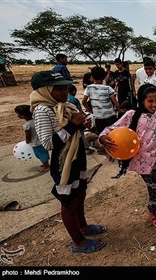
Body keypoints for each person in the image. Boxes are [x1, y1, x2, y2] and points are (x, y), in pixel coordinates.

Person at [29, 71, 107, 253]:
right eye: (59, 89)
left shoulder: (62, 105)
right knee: (68, 201)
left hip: (77, 156)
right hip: (63, 163)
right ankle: (78, 242)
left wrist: (83, 124)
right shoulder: (43, 110)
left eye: (65, 88)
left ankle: (84, 227)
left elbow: (74, 128)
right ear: (45, 90)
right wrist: (73, 125)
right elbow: (49, 143)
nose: (65, 92)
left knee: (79, 194)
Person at [99, 84, 156, 229]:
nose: (154, 104)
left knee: (153, 188)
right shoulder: (131, 115)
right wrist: (102, 137)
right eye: (150, 101)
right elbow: (111, 128)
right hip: (142, 163)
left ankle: (152, 212)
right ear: (141, 101)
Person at [82, 66, 120, 135]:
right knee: (112, 134)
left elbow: (83, 102)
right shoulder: (108, 88)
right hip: (110, 117)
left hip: (98, 117)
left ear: (92, 77)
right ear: (104, 77)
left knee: (101, 135)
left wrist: (90, 111)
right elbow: (116, 104)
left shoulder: (89, 88)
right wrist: (117, 110)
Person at [14, 105, 50, 172]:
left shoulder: (27, 125)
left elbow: (28, 135)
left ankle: (47, 166)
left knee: (40, 155)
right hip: (42, 140)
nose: (17, 115)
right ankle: (45, 163)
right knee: (43, 153)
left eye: (17, 114)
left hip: (35, 143)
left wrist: (27, 141)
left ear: (23, 116)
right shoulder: (36, 120)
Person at [67, 84, 93, 155]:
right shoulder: (74, 99)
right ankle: (86, 148)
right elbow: (80, 111)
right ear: (74, 92)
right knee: (81, 134)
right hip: (76, 120)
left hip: (67, 121)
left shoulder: (64, 98)